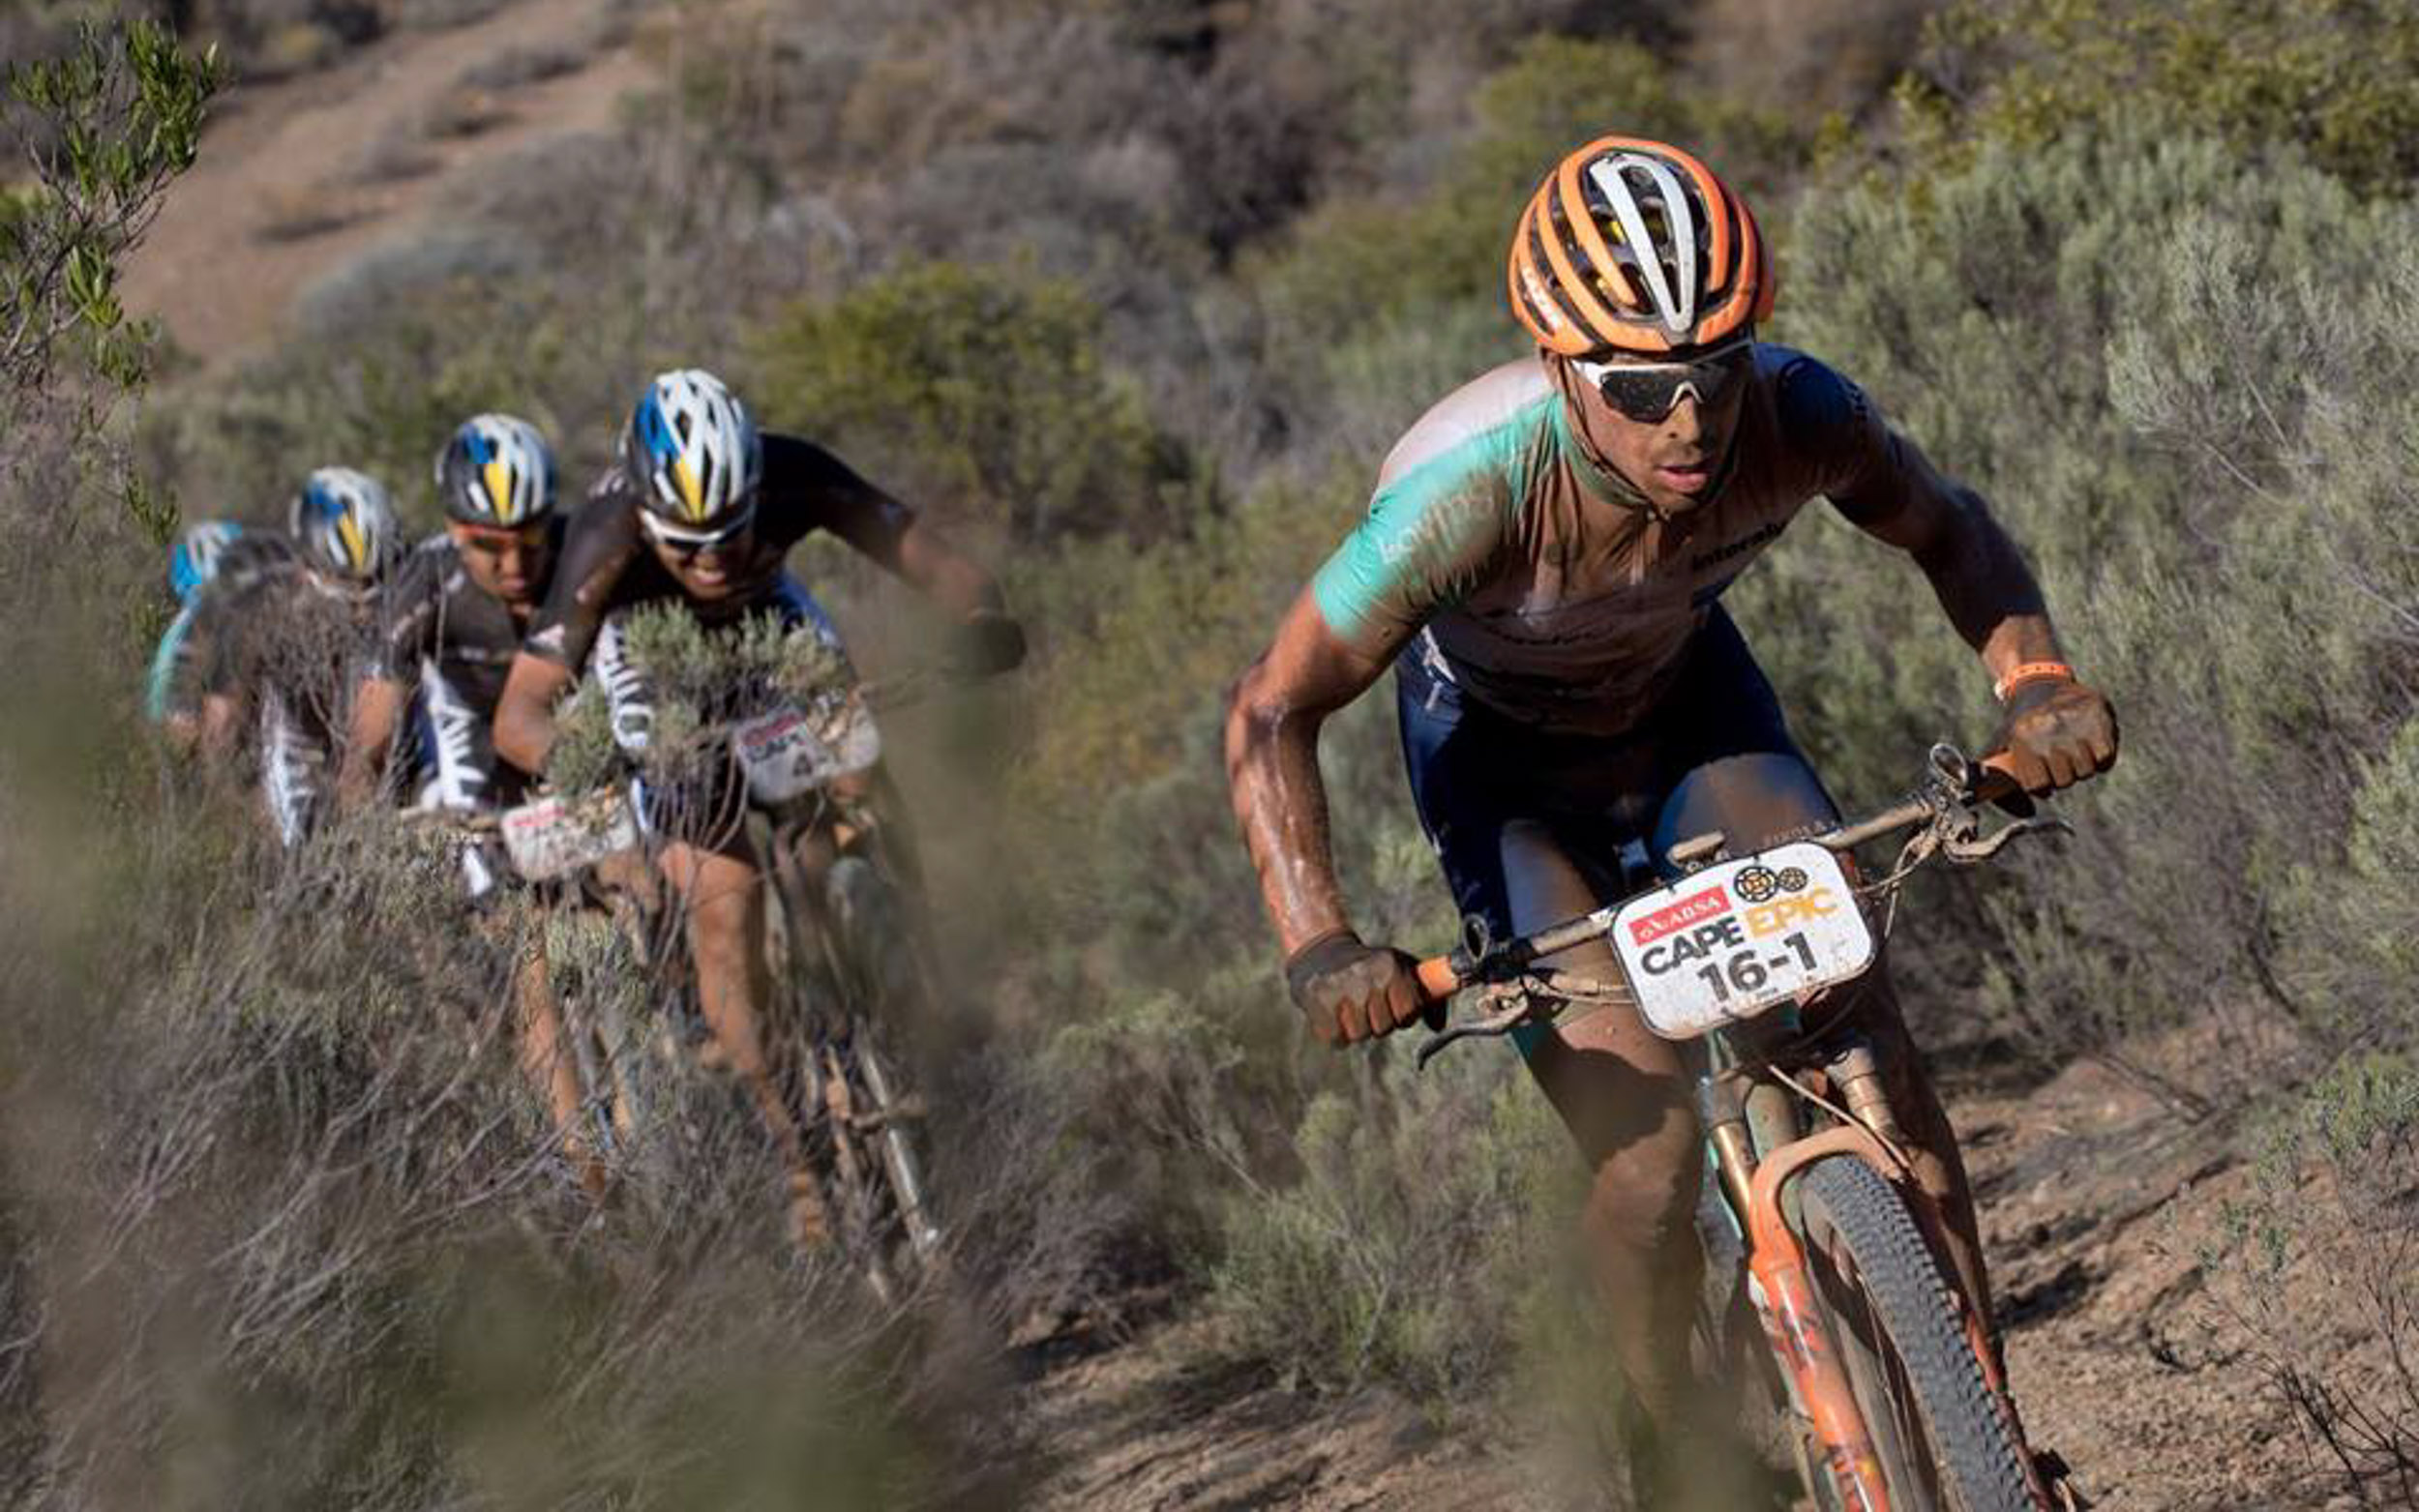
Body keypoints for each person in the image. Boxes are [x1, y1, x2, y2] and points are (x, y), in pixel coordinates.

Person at [1220, 135, 2117, 1504]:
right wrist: (1318, 940)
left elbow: (1948, 525)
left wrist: (2036, 680)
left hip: (1691, 710)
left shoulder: (1802, 413)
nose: (1691, 423)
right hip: (1502, 765)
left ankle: (1990, 1430)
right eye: (1642, 390)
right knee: (1638, 1148)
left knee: (1863, 1037)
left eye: (1718, 374)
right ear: (1565, 365)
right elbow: (1272, 711)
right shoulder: (1465, 497)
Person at [491, 368, 1026, 1250]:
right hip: (650, 671)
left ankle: (912, 965)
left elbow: (934, 559)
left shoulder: (793, 473)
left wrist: (977, 615)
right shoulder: (604, 534)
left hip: (770, 628)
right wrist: (591, 758)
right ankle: (796, 1152)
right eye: (686, 542)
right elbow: (520, 715)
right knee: (720, 899)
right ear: (648, 518)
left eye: (731, 533)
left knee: (856, 758)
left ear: (755, 494)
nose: (713, 559)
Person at [190, 466, 403, 846]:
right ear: (306, 571)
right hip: (282, 748)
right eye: (343, 591)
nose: (359, 610)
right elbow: (218, 742)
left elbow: (367, 758)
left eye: (371, 590)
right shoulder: (257, 614)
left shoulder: (399, 608)